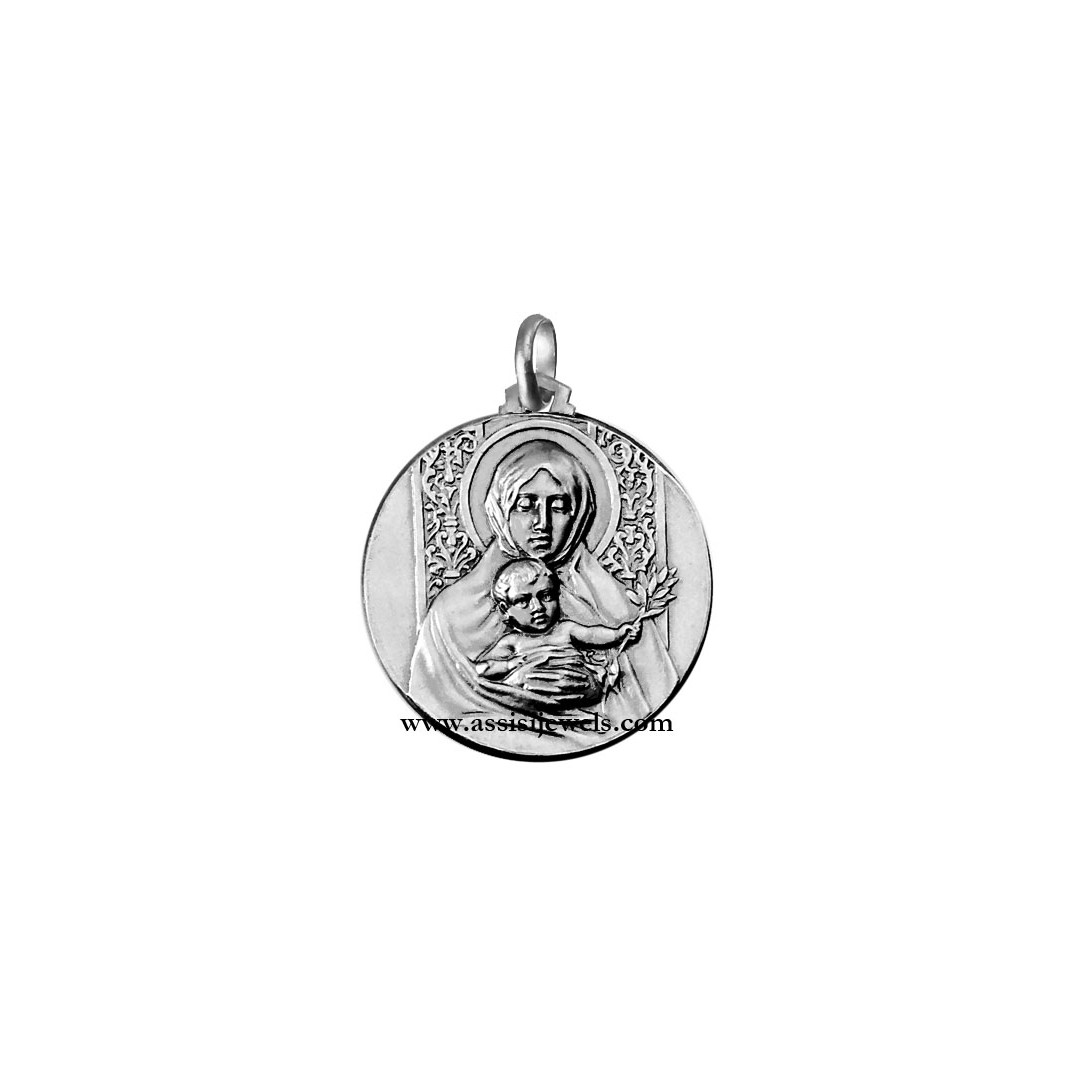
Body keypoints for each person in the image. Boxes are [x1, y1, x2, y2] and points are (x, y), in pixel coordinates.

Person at [408, 438, 677, 749]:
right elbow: (434, 708)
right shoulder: (449, 614)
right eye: (526, 505)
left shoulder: (615, 604)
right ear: (501, 509)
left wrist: (594, 687)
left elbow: (648, 702)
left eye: (559, 506)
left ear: (578, 515)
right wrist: (515, 687)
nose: (542, 523)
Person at [474, 558, 642, 684]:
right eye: (523, 601)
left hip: (575, 681)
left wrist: (618, 634)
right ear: (505, 610)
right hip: (535, 685)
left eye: (546, 596)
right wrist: (509, 665)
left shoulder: (565, 629)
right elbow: (482, 668)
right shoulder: (512, 642)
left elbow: (592, 635)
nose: (538, 607)